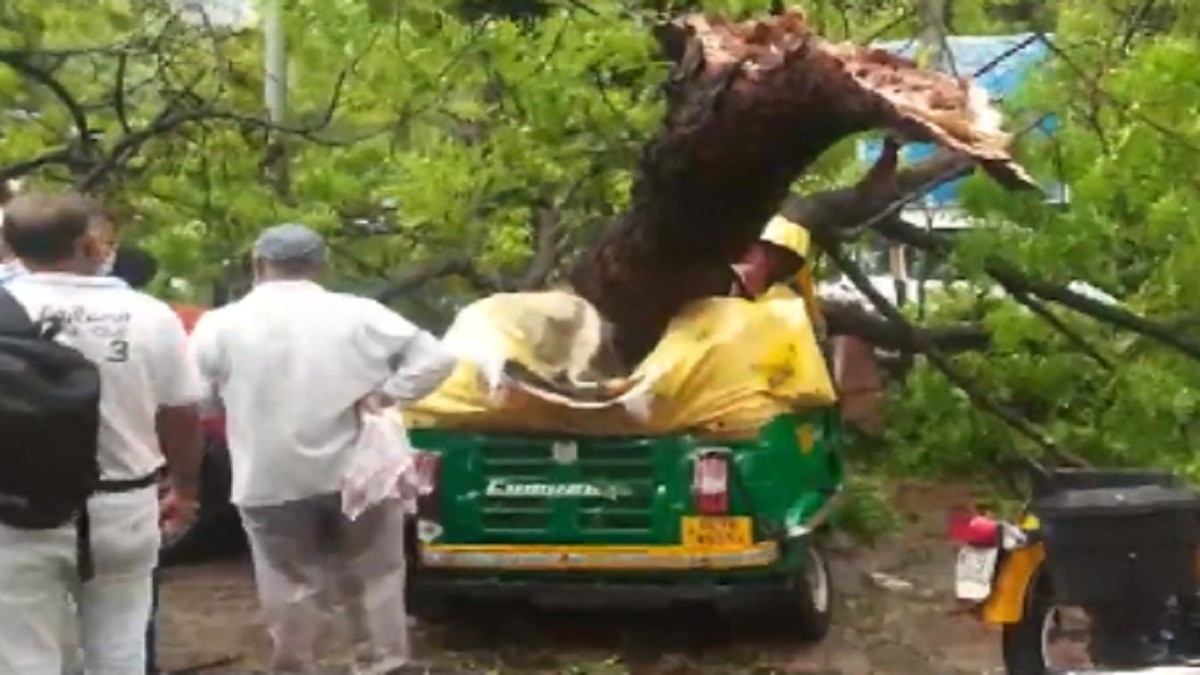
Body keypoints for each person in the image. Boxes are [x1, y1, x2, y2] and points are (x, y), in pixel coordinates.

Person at [188, 223, 457, 674]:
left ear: (258, 264)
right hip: (362, 473)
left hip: (270, 475)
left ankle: (297, 665)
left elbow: (198, 398)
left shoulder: (221, 324)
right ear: (320, 266)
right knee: (376, 578)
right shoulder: (359, 313)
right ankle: (382, 666)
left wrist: (233, 401)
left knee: (288, 581)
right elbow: (438, 358)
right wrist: (389, 393)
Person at [0, 192, 205, 675]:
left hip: (15, 510)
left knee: (23, 654)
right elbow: (181, 415)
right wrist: (187, 490)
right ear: (91, 244)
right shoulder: (151, 316)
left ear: (9, 244)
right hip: (125, 505)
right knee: (119, 648)